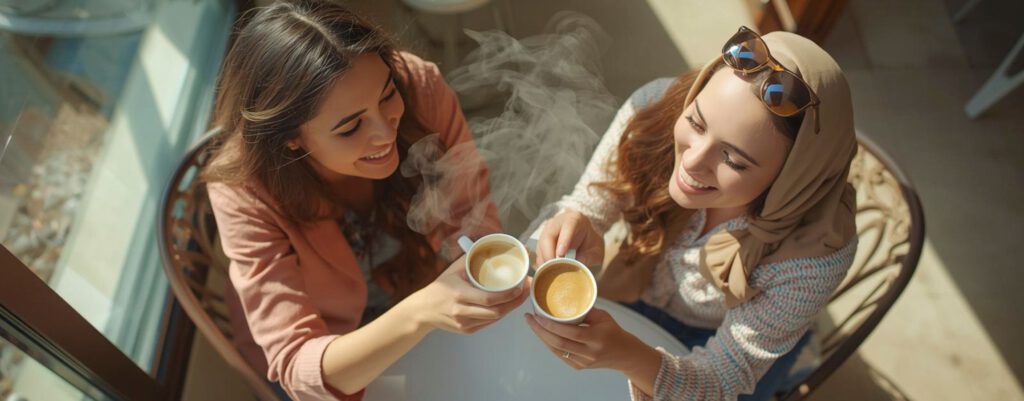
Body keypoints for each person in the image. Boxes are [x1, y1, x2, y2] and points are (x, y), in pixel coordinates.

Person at [203, 1, 528, 400]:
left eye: (387, 95)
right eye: (351, 127)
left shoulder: (421, 88)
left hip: (418, 301)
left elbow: (469, 214)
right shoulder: (244, 193)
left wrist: (485, 269)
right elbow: (296, 364)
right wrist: (420, 312)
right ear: (290, 139)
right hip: (338, 352)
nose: (384, 134)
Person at [529, 27, 859, 401]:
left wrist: (626, 354)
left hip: (719, 347)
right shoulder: (652, 109)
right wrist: (581, 216)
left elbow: (721, 379)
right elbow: (591, 200)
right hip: (633, 293)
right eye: (696, 123)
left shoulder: (815, 257)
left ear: (792, 179)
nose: (691, 160)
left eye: (733, 159)